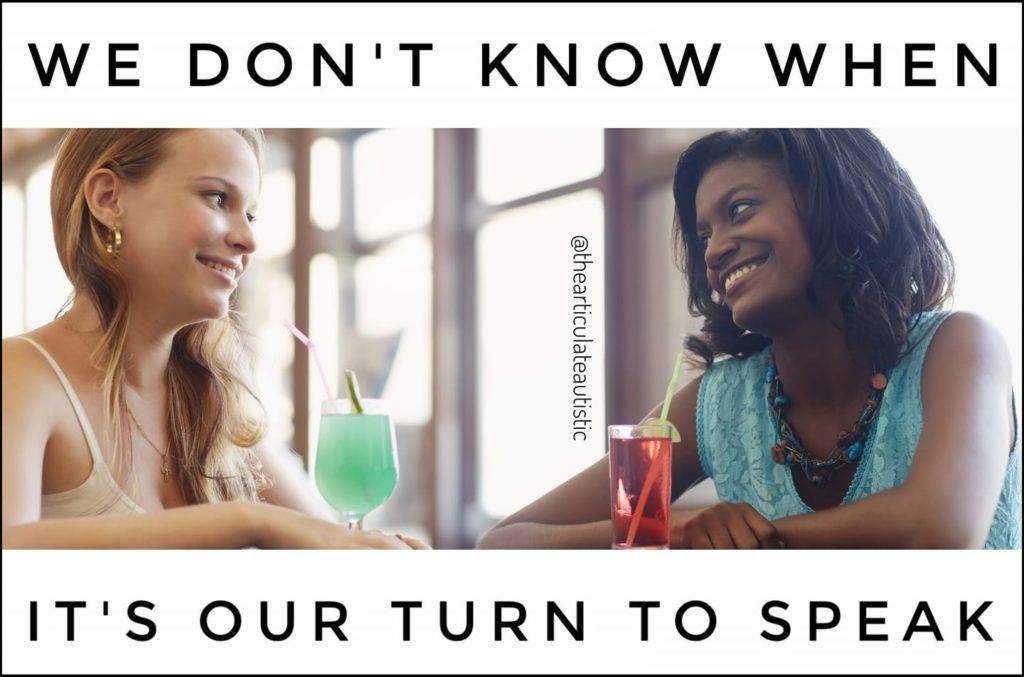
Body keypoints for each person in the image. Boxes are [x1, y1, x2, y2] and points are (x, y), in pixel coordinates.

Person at [479, 128, 1020, 549]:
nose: (714, 251)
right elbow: (505, 543)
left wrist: (747, 540)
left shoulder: (958, 348)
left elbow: (939, 530)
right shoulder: (720, 403)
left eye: (739, 210)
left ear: (835, 204)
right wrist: (679, 534)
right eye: (704, 234)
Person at [2, 128, 426, 549]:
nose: (249, 240)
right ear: (109, 199)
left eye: (251, 215)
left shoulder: (215, 403)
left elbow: (326, 542)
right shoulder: (20, 373)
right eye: (217, 198)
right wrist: (249, 521)